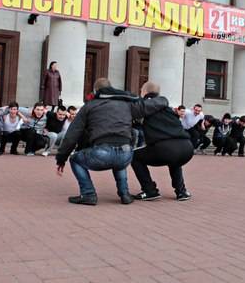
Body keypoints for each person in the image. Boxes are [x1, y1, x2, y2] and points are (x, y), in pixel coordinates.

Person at [55, 78, 167, 206]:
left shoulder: (89, 106)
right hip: (126, 153)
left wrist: (61, 158)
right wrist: (164, 100)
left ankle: (88, 194)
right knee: (119, 161)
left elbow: (72, 135)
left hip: (102, 152)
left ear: (95, 91)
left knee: (75, 159)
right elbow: (154, 104)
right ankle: (125, 194)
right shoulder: (127, 105)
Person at [131, 82, 193, 201]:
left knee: (134, 156)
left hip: (166, 149)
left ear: (144, 92)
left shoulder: (143, 106)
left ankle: (150, 191)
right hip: (187, 148)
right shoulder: (168, 109)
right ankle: (181, 192)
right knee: (175, 160)